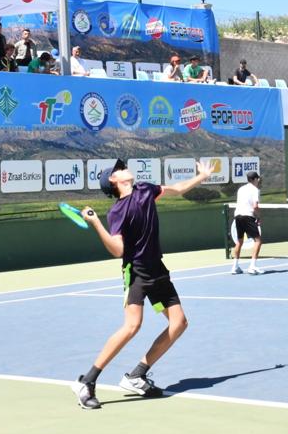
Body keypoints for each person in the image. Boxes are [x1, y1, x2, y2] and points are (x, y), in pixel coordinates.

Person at [72, 158, 216, 410]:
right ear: (114, 181)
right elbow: (118, 250)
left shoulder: (146, 189)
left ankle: (136, 375)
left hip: (157, 268)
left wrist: (201, 177)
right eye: (118, 170)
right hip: (136, 271)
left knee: (179, 323)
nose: (124, 168)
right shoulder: (117, 211)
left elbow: (177, 189)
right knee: (132, 326)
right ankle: (87, 381)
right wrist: (96, 223)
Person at [230, 171, 264, 274]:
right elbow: (255, 206)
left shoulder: (241, 189)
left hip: (238, 217)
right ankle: (252, 266)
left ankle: (235, 267)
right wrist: (258, 217)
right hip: (247, 216)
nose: (258, 180)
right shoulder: (255, 190)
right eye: (257, 179)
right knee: (258, 241)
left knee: (239, 242)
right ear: (254, 179)